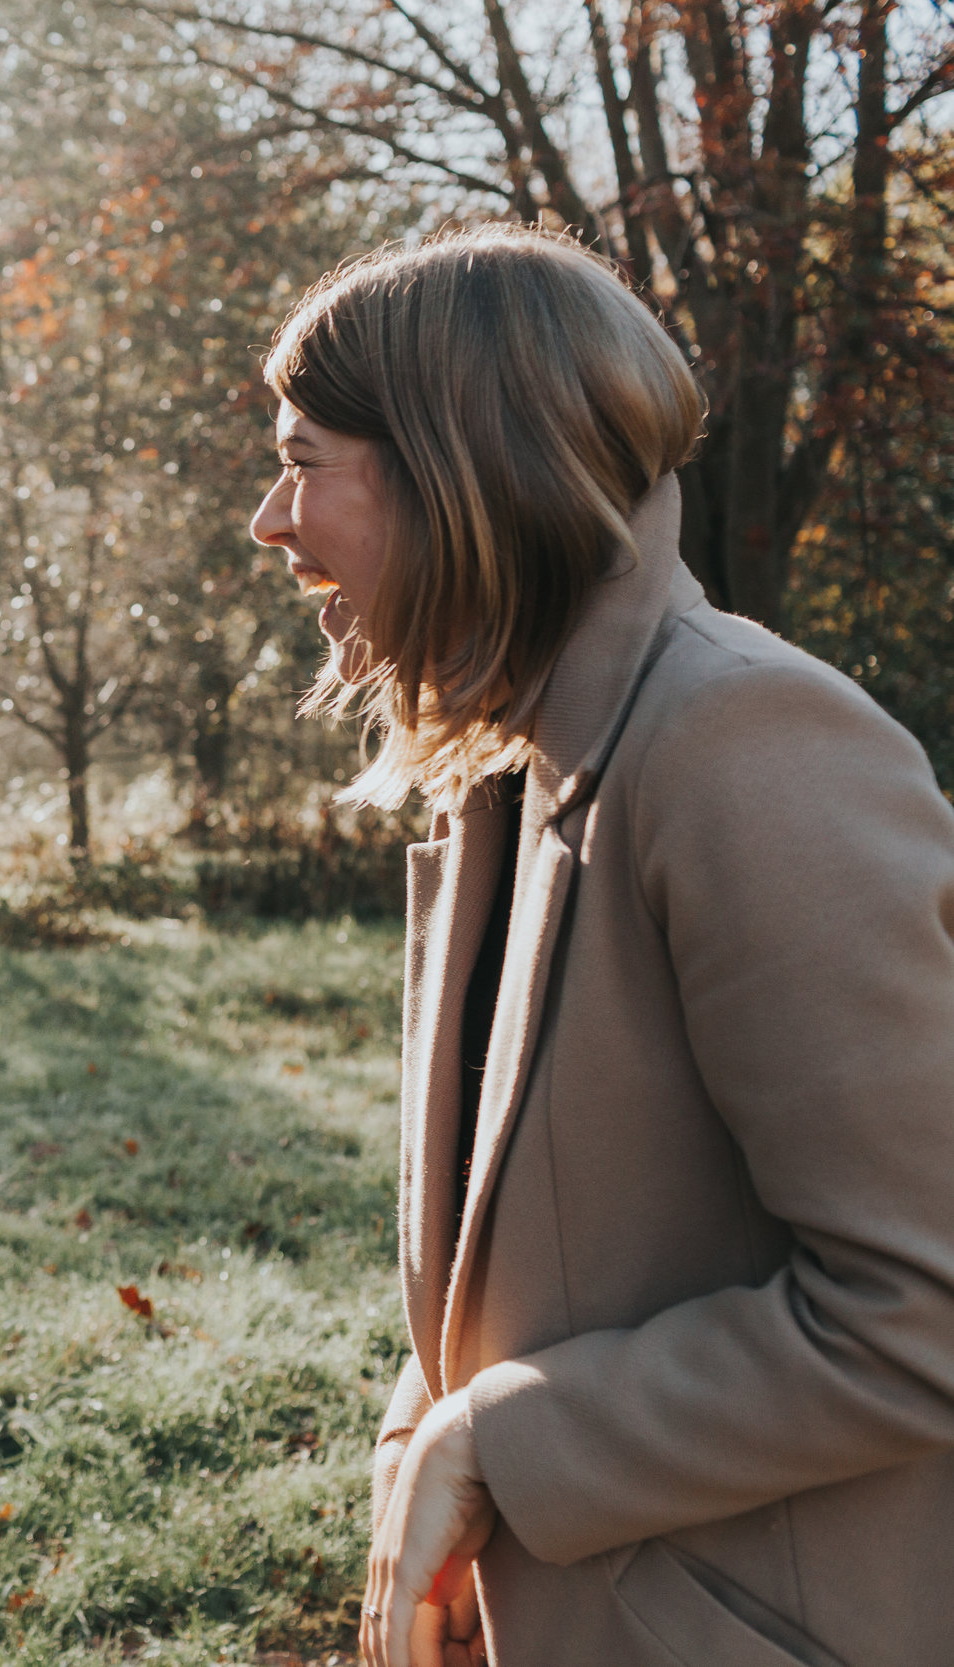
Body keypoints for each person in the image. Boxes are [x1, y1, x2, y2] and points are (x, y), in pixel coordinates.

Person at [251, 224, 954, 1667]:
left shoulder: (747, 748)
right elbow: (535, 1251)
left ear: (456, 468)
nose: (273, 516)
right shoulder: (520, 768)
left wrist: (510, 1443)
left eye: (305, 456)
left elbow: (922, 1304)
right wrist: (428, 1439)